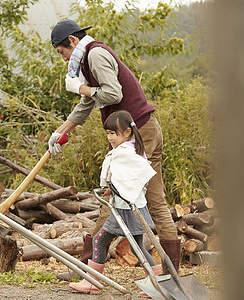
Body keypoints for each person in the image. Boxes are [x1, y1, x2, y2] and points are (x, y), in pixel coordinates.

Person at [48, 20, 180, 279]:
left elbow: (113, 94)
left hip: (139, 133)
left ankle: (90, 271)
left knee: (118, 198)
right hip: (143, 130)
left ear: (72, 42)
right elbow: (87, 105)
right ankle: (168, 273)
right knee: (149, 201)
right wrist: (60, 132)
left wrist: (82, 88)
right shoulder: (86, 60)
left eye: (61, 52)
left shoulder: (95, 55)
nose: (63, 59)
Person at [69, 111, 159, 297]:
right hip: (129, 207)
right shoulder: (131, 150)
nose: (110, 138)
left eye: (113, 133)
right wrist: (113, 188)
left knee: (100, 240)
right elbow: (126, 179)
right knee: (137, 247)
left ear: (127, 133)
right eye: (108, 133)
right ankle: (157, 283)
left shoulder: (126, 153)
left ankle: (92, 282)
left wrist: (115, 187)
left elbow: (129, 178)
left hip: (126, 209)